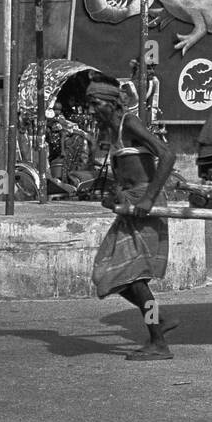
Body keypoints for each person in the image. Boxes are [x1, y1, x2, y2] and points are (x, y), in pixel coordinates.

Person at [85, 77, 179, 360]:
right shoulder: (110, 132)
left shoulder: (131, 123)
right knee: (106, 273)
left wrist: (149, 197)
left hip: (145, 206)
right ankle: (159, 320)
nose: (91, 111)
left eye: (95, 104)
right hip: (130, 207)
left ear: (112, 103)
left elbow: (167, 155)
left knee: (134, 278)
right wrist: (114, 195)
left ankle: (158, 341)